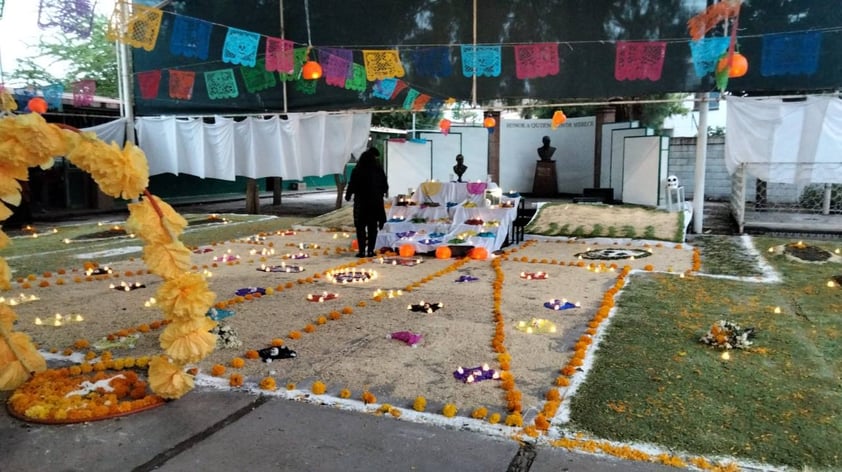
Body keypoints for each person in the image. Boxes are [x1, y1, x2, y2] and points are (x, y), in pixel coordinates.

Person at [344, 148, 389, 257]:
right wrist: (381, 192)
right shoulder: (378, 170)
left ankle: (361, 251)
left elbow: (352, 184)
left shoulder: (357, 170)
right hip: (375, 203)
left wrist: (348, 195)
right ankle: (370, 251)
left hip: (361, 203)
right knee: (373, 227)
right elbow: (385, 186)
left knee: (360, 228)